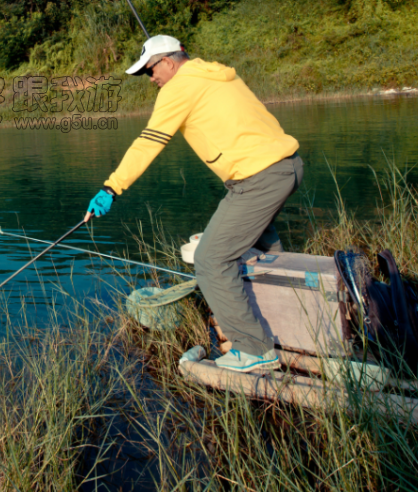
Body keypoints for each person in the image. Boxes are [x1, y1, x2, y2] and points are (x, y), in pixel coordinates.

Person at [84, 35, 303, 373]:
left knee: (211, 259)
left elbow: (149, 142)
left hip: (257, 179)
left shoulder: (178, 87)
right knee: (265, 251)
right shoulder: (213, 74)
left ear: (169, 62)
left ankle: (255, 350)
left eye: (150, 71)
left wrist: (111, 188)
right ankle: (294, 325)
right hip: (285, 167)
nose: (151, 79)